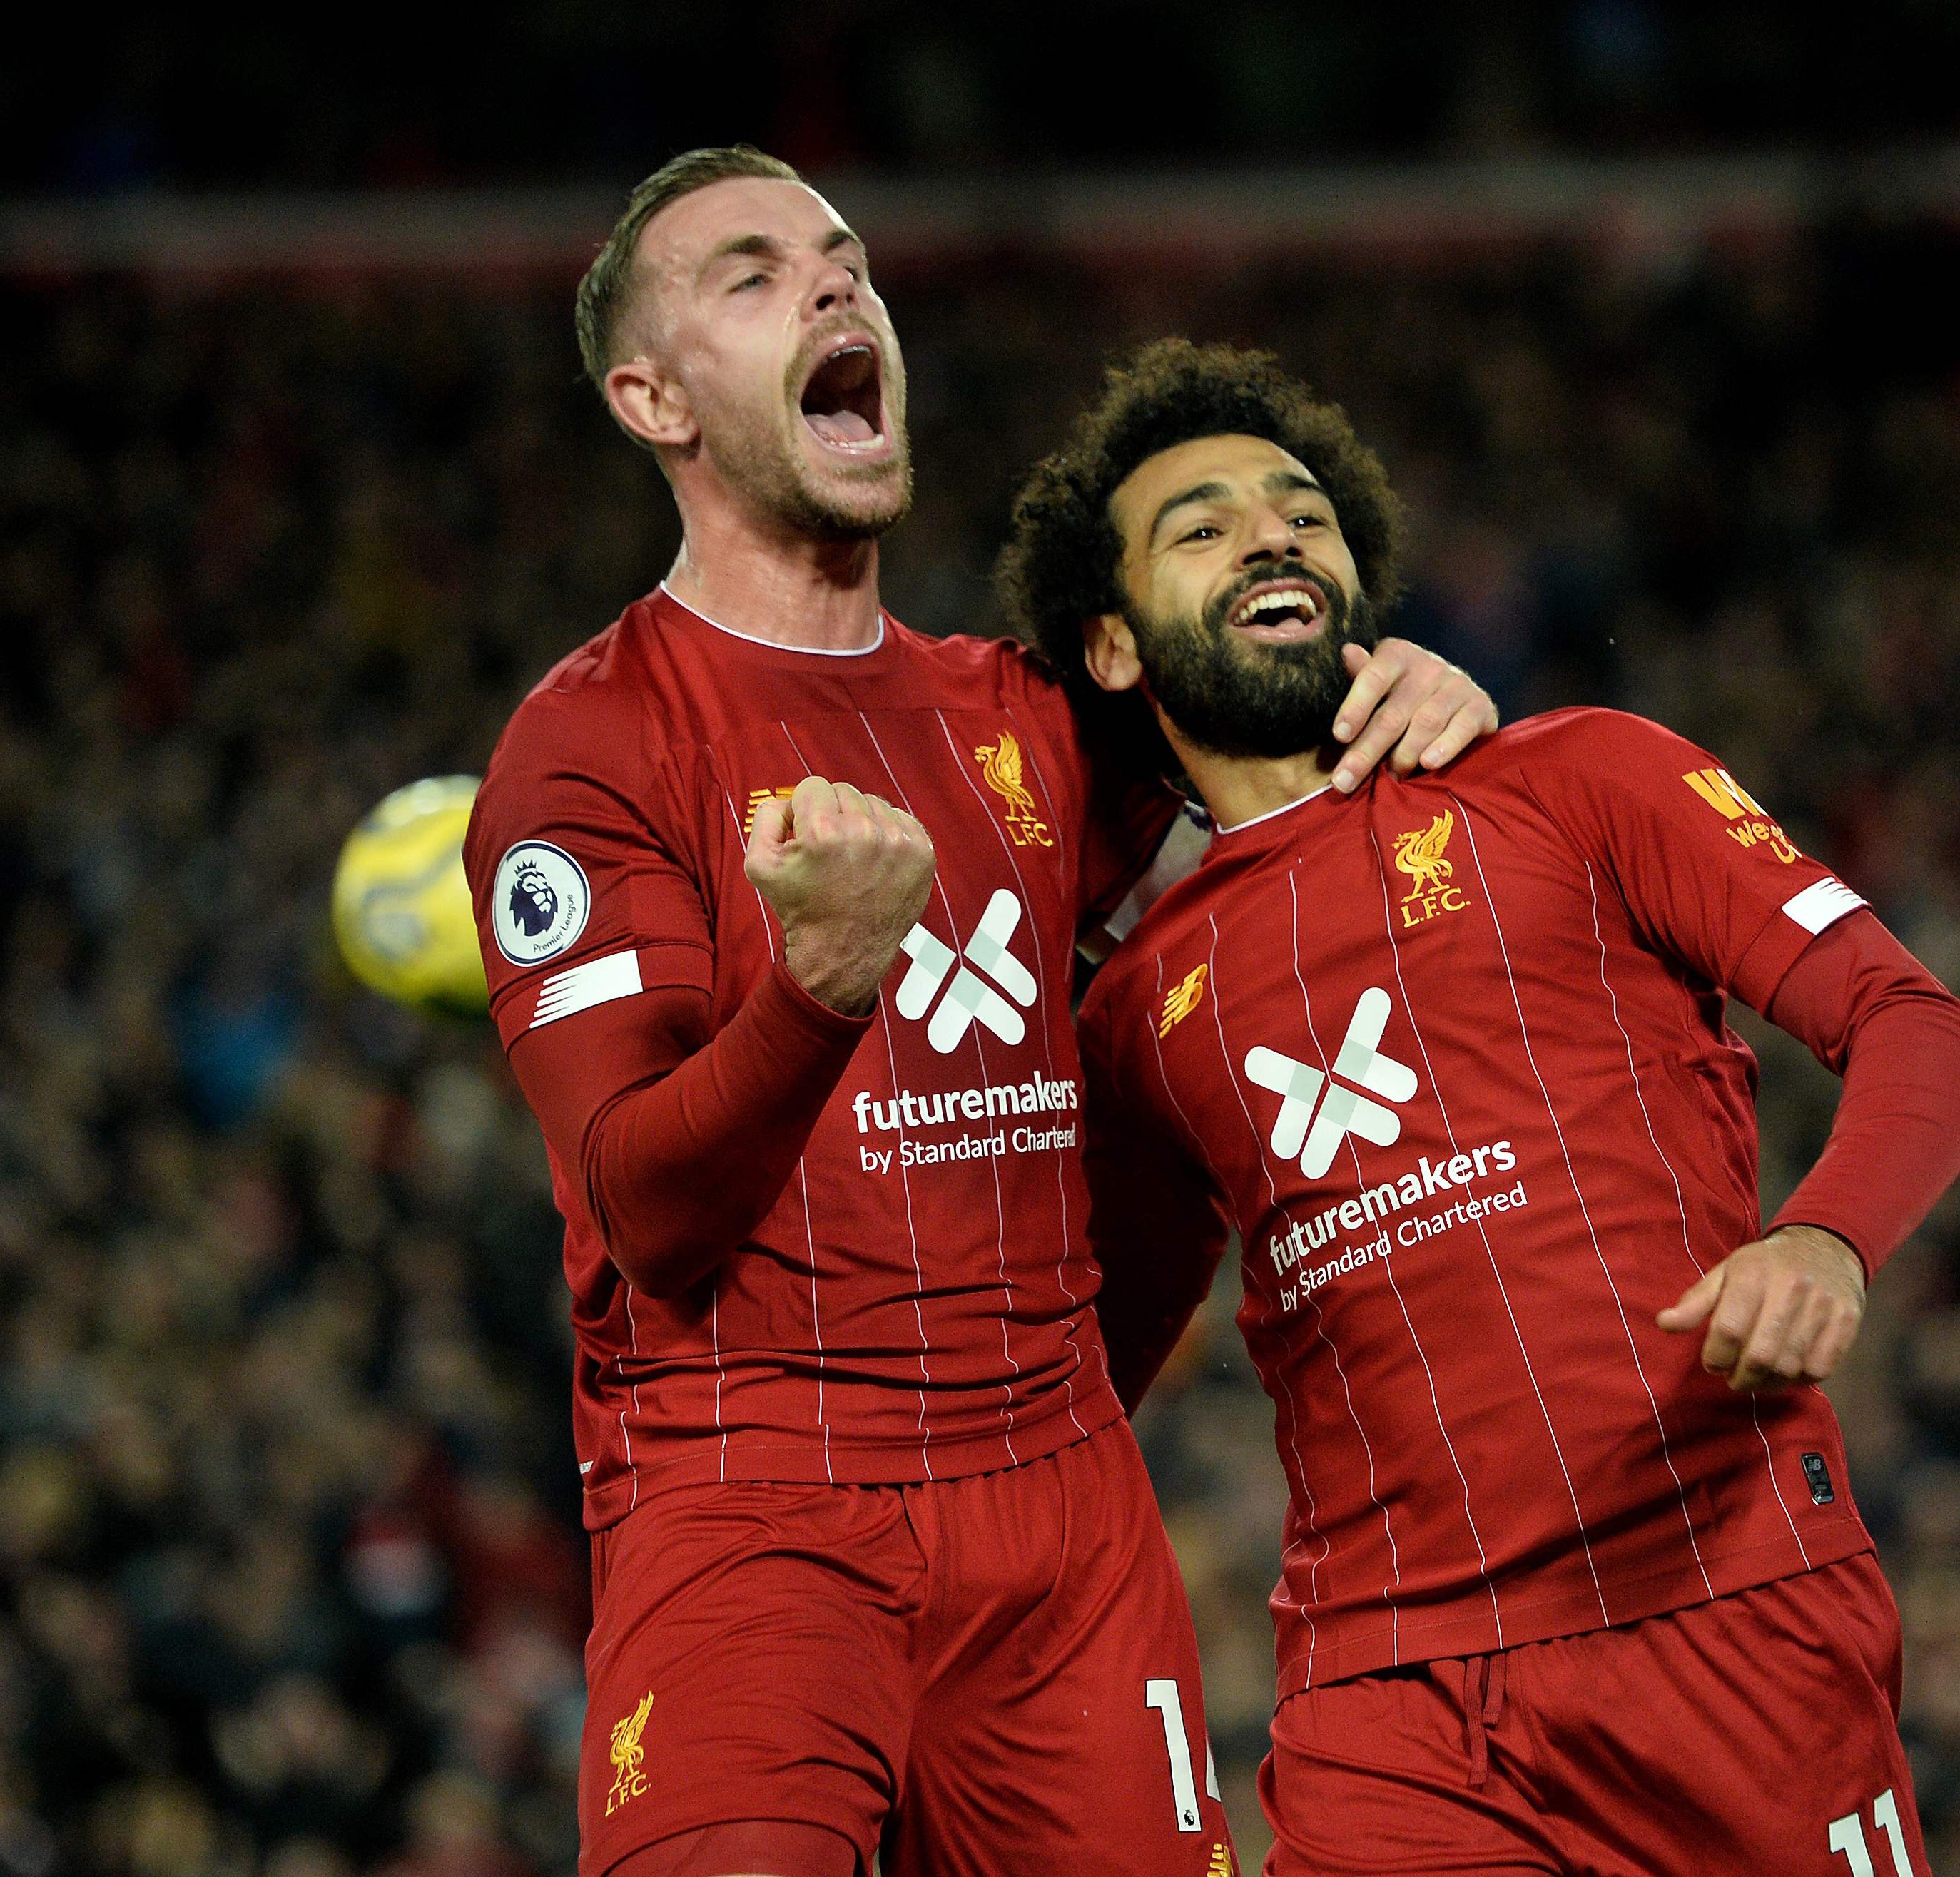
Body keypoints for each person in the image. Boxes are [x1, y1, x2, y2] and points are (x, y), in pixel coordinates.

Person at [464, 150, 1496, 1877]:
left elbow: (1286, 714)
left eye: (846, 257)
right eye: (750, 274)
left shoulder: (1019, 712)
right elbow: (640, 1210)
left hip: (1060, 1506)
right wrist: (816, 991)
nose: (833, 286)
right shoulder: (590, 747)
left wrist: (1426, 687)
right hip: (754, 1498)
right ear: (653, 400)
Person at [1004, 340, 1960, 1876]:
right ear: (1117, 647)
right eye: (1199, 526)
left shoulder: (1583, 777)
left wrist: (1825, 1242)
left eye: (1302, 511)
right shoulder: (1134, 1011)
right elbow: (1087, 1378)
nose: (1272, 532)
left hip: (1722, 1611)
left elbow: (1919, 1028)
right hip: (1386, 1690)